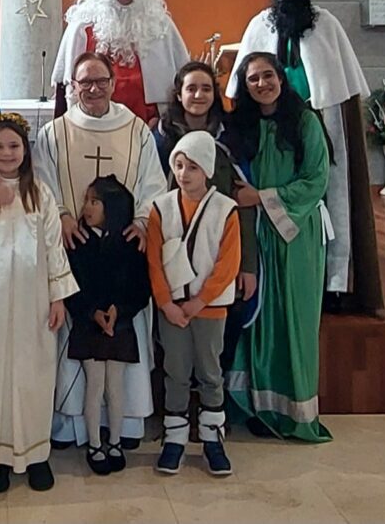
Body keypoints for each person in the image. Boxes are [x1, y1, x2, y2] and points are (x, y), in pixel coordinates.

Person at [226, 0, 383, 315]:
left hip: (318, 118)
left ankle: (334, 281)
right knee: (269, 189)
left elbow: (340, 82)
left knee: (331, 195)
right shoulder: (260, 25)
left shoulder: (326, 25)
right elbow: (243, 81)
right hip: (270, 123)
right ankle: (269, 274)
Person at [35, 51, 166, 447]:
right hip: (74, 248)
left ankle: (123, 425)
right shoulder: (54, 133)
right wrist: (61, 215)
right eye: (84, 82)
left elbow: (152, 183)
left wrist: (141, 221)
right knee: (76, 327)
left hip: (122, 250)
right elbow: (43, 179)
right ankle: (72, 426)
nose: (93, 89)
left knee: (124, 331)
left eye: (100, 81)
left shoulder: (136, 130)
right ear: (72, 87)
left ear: (113, 84)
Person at [0, 113, 78, 493]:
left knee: (33, 375)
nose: (7, 153)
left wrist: (58, 296)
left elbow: (54, 247)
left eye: (14, 146)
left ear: (26, 150)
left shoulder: (40, 192)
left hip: (34, 301)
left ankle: (35, 455)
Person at [226, 53, 332, 443]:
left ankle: (296, 413)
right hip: (256, 234)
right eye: (252, 79)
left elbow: (316, 179)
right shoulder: (243, 125)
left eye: (267, 76)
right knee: (261, 320)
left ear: (280, 79)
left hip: (296, 232)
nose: (261, 84)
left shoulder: (304, 121)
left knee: (294, 318)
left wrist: (264, 197)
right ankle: (258, 406)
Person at [147, 131, 240, 477]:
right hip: (172, 309)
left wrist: (199, 301)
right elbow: (155, 261)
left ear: (209, 171)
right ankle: (175, 439)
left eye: (194, 167)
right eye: (180, 165)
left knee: (210, 372)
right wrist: (167, 303)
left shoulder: (225, 210)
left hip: (209, 309)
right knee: (176, 372)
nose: (185, 174)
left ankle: (213, 438)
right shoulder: (162, 207)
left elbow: (228, 263)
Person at [154, 61, 259, 364]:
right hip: (173, 249)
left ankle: (214, 398)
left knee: (221, 333)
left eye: (206, 88)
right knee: (173, 335)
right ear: (178, 94)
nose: (198, 95)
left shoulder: (229, 139)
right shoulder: (161, 139)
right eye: (191, 88)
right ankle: (177, 401)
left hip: (220, 251)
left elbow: (243, 205)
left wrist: (247, 265)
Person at [64, 174, 151, 477]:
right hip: (90, 325)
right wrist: (92, 313)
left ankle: (114, 442)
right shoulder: (79, 242)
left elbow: (141, 289)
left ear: (112, 207)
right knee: (94, 386)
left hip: (120, 325)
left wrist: (119, 311)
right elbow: (71, 286)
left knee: (116, 387)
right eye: (87, 200)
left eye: (95, 201)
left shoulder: (129, 243)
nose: (87, 207)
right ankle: (94, 444)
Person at [52, 0, 190, 124]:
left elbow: (182, 77)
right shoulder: (82, 26)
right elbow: (66, 84)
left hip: (149, 123)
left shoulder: (161, 24)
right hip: (92, 120)